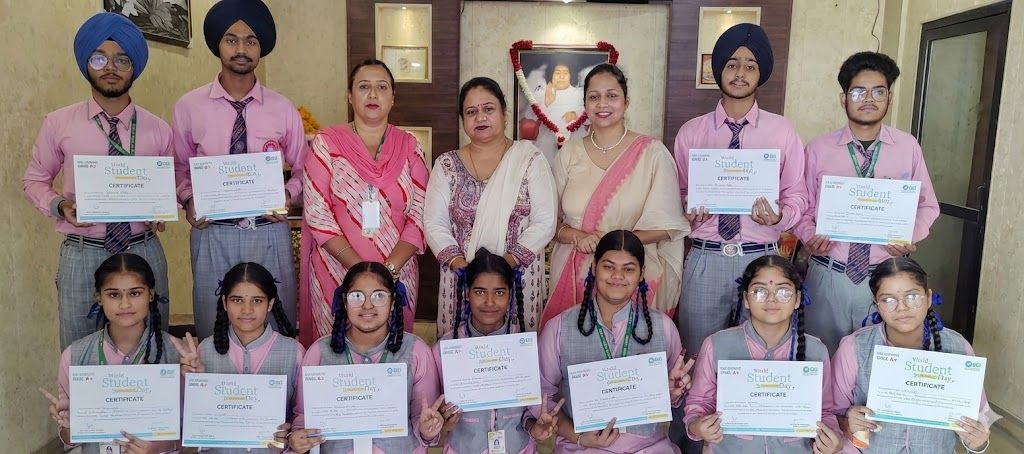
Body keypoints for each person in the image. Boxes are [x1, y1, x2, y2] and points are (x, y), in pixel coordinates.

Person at [23, 12, 171, 350]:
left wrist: (166, 206)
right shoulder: (59, 123)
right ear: (86, 63)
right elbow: (34, 179)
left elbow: (173, 185)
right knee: (80, 350)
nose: (111, 68)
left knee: (151, 348)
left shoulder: (159, 130)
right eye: (99, 58)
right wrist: (61, 205)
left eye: (122, 59)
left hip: (143, 248)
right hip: (82, 252)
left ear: (134, 66)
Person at [673, 23, 808, 360]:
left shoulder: (783, 131)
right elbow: (677, 194)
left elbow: (797, 195)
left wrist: (779, 217)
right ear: (719, 69)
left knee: (759, 359)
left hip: (760, 259)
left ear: (760, 75)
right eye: (732, 64)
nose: (740, 73)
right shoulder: (691, 133)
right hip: (705, 258)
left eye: (750, 66)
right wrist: (687, 208)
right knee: (697, 356)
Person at [172, 0, 306, 338]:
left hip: (268, 231)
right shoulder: (189, 107)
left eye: (251, 41)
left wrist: (287, 195)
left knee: (277, 325)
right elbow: (177, 167)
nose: (241, 49)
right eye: (231, 40)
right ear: (218, 44)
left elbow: (306, 168)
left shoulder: (282, 108)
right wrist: (188, 199)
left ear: (261, 48)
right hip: (212, 232)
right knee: (212, 324)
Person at [794, 52, 939, 354]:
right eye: (859, 92)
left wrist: (908, 236)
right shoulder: (818, 148)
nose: (869, 99)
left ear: (890, 98)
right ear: (843, 99)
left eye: (878, 92)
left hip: (886, 276)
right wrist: (809, 235)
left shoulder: (907, 147)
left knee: (878, 359)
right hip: (829, 274)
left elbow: (927, 205)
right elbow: (801, 203)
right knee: (822, 357)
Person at [543, 63, 687, 328]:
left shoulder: (652, 153)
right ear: (585, 104)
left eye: (611, 95)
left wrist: (617, 244)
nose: (602, 104)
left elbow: (670, 226)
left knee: (629, 348)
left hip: (631, 276)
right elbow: (550, 223)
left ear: (626, 102)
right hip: (574, 276)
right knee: (572, 346)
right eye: (594, 96)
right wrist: (577, 237)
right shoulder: (569, 153)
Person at [299, 59, 427, 346]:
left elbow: (420, 213)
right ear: (349, 96)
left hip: (397, 272)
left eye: (382, 87)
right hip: (337, 270)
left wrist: (387, 272)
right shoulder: (326, 143)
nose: (372, 94)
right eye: (363, 87)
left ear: (392, 98)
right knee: (336, 349)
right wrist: (360, 273)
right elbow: (318, 214)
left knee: (392, 350)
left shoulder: (409, 145)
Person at [536, 230, 693, 453]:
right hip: (583, 449)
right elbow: (541, 397)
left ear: (641, 274)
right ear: (594, 268)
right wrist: (579, 437)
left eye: (628, 269)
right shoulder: (559, 327)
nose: (617, 276)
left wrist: (676, 390)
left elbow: (673, 397)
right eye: (608, 267)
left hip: (650, 448)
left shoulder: (663, 327)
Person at [425, 77, 557, 336]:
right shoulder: (446, 165)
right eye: (471, 112)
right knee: (460, 351)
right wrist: (461, 266)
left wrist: (505, 266)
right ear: (463, 119)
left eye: (488, 109)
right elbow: (434, 222)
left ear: (504, 114)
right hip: (461, 279)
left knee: (516, 350)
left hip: (518, 278)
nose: (480, 117)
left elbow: (545, 221)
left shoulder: (530, 159)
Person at [683, 255, 842, 453]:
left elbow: (825, 411)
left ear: (797, 299)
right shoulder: (716, 345)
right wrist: (697, 426)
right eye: (759, 291)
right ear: (746, 299)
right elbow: (699, 403)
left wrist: (833, 438)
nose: (771, 299)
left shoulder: (815, 350)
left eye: (783, 291)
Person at [832, 257, 992, 452]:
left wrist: (977, 441)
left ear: (929, 298)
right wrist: (847, 421)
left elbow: (979, 415)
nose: (902, 307)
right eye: (888, 300)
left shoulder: (958, 347)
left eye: (913, 296)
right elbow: (832, 413)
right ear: (876, 304)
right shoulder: (854, 348)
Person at [288, 262, 442, 453]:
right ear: (344, 301)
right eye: (357, 296)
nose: (367, 305)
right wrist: (297, 436)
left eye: (379, 296)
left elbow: (422, 418)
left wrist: (427, 430)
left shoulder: (415, 351)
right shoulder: (319, 352)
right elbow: (303, 416)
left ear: (393, 301)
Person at [40, 253, 180, 453]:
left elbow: (187, 435)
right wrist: (69, 426)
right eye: (114, 295)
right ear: (99, 298)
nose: (125, 304)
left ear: (150, 294)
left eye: (135, 293)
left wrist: (157, 447)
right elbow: (69, 441)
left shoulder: (176, 353)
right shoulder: (75, 355)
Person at [431, 248, 561, 453]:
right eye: (479, 292)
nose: (489, 302)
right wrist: (443, 420)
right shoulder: (444, 350)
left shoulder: (527, 348)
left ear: (510, 295)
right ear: (467, 293)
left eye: (499, 292)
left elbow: (529, 411)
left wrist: (535, 428)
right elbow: (431, 418)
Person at [172, 262, 300, 452]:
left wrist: (291, 435)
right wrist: (193, 381)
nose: (247, 310)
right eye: (237, 300)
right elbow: (190, 420)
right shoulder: (205, 350)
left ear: (270, 304)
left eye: (257, 301)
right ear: (225, 302)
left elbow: (301, 414)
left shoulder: (293, 352)